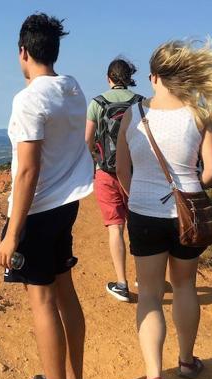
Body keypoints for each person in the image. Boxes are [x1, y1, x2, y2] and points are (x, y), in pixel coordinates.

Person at [116, 39, 212, 379]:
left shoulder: (133, 116)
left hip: (143, 213)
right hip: (190, 214)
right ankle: (185, 362)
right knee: (185, 286)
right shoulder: (198, 115)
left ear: (153, 78)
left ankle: (153, 376)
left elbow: (122, 171)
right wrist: (188, 187)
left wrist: (139, 197)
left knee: (150, 294)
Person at [0, 13, 93, 379]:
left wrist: (12, 235)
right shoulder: (73, 88)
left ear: (23, 52)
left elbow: (27, 171)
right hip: (66, 206)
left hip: (36, 213)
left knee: (43, 302)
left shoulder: (28, 100)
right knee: (64, 290)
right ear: (54, 51)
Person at [85, 58, 143, 302]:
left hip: (106, 172)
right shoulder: (141, 102)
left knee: (115, 228)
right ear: (129, 77)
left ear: (109, 77)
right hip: (136, 172)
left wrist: (95, 162)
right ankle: (145, 276)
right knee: (137, 226)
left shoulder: (97, 103)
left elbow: (87, 140)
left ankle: (122, 283)